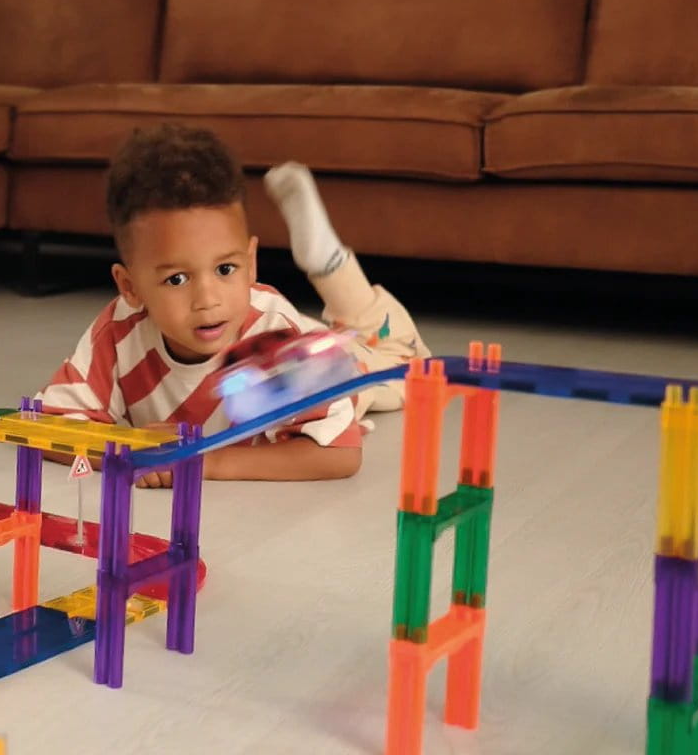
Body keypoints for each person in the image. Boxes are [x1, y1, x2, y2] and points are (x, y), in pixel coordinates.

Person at [35, 124, 427, 487]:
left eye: (225, 269)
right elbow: (46, 425)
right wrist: (133, 448)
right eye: (177, 279)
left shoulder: (279, 333)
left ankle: (330, 264)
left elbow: (339, 453)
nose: (208, 300)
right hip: (273, 333)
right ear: (130, 287)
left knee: (402, 361)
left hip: (326, 358)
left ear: (251, 263)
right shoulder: (117, 332)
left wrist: (203, 462)